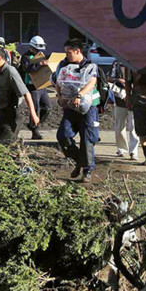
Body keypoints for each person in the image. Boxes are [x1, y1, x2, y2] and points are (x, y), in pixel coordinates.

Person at [53, 38, 101, 183]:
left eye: (69, 52)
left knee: (87, 140)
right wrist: (59, 96)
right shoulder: (63, 64)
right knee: (63, 135)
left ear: (77, 51)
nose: (66, 55)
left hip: (88, 107)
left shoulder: (90, 65)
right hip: (69, 106)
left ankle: (87, 171)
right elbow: (57, 81)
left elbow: (92, 82)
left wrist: (80, 95)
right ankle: (79, 160)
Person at [0, 45, 39, 145]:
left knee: (5, 143)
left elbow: (26, 93)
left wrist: (33, 115)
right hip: (2, 113)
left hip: (13, 114)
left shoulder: (10, 72)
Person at [20, 35, 51, 140]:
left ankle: (34, 124)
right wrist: (39, 64)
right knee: (35, 108)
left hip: (42, 86)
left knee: (47, 108)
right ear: (31, 47)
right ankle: (35, 131)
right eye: (37, 49)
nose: (39, 51)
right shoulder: (26, 57)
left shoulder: (41, 55)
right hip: (32, 87)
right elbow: (27, 68)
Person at [110, 60, 138, 160]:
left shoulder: (136, 63)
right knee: (119, 125)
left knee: (133, 126)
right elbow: (109, 78)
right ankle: (122, 148)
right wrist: (118, 80)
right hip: (120, 98)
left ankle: (134, 151)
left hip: (134, 98)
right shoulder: (116, 63)